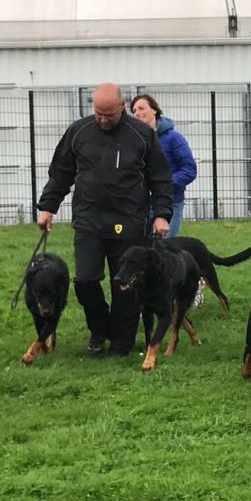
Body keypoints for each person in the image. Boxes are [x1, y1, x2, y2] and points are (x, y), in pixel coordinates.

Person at [36, 82, 173, 357]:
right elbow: (61, 172)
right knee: (85, 280)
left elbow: (160, 178)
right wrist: (48, 206)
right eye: (98, 113)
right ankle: (99, 330)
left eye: (108, 114)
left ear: (122, 107)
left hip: (130, 220)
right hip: (89, 219)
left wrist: (161, 214)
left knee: (125, 284)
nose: (102, 119)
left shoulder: (142, 134)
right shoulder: (79, 131)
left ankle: (122, 342)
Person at [130, 93, 198, 237]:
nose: (137, 113)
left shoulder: (174, 138)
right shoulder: (133, 140)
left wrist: (164, 185)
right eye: (134, 111)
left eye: (141, 108)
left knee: (163, 250)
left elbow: (189, 170)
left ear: (154, 110)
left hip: (170, 202)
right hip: (141, 205)